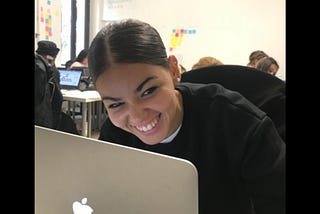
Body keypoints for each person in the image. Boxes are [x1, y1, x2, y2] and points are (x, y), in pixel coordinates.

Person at [87, 19, 285, 214]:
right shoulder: (115, 135)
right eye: (116, 104)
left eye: (148, 91)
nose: (137, 116)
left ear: (173, 70)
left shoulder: (241, 126)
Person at [35, 40, 79, 135]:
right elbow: (57, 99)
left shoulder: (39, 64)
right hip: (42, 120)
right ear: (52, 56)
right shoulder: (49, 69)